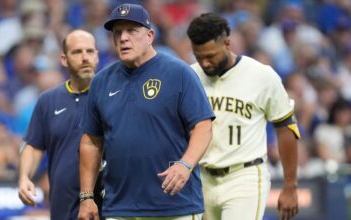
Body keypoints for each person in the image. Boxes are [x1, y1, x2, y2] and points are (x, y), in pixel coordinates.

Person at [78, 3, 215, 220]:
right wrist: (86, 197)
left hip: (173, 204)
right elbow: (90, 141)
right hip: (119, 205)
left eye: (131, 31)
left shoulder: (179, 73)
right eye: (117, 32)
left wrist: (186, 164)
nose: (123, 38)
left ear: (150, 35)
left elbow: (203, 126)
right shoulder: (101, 81)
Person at [187, 13, 300, 220]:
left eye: (210, 56)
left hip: (244, 175)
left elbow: (286, 128)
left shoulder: (262, 75)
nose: (205, 63)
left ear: (227, 43)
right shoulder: (188, 76)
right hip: (199, 177)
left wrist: (290, 186)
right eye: (198, 56)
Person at [18, 29, 104, 219]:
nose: (84, 58)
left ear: (97, 56)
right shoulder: (48, 101)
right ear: (64, 59)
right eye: (77, 52)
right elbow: (33, 145)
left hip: (104, 206)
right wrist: (24, 178)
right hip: (62, 207)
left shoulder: (110, 96)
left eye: (90, 51)